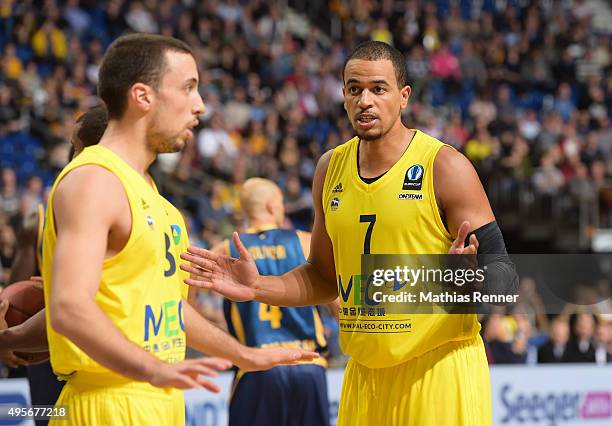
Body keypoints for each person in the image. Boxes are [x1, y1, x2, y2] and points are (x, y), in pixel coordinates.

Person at [182, 41, 518, 426]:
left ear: (403, 96)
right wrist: (258, 287)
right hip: (364, 374)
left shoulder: (444, 165)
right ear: (343, 95)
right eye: (354, 89)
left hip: (437, 369)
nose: (365, 101)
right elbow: (324, 278)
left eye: (379, 88)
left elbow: (504, 279)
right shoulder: (330, 168)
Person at [41, 34, 316, 426]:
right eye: (188, 88)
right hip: (108, 399)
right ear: (142, 96)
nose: (200, 105)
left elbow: (170, 309)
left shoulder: (157, 200)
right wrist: (150, 368)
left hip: (159, 397)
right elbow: (69, 307)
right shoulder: (95, 180)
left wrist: (245, 356)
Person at [190, 177, 331, 426]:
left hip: (256, 366)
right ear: (271, 206)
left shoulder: (224, 250)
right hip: (308, 363)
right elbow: (339, 304)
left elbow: (189, 307)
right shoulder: (305, 241)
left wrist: (225, 333)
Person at [0, 105, 108, 426]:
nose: (72, 155)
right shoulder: (39, 219)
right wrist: (11, 335)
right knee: (49, 419)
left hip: (100, 354)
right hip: (51, 352)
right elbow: (13, 301)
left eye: (77, 146)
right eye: (72, 146)